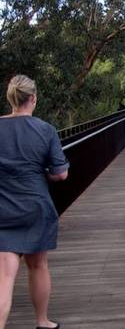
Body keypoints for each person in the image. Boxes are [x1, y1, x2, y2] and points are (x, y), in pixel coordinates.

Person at [0, 75, 68, 329]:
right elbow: (60, 173)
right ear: (33, 99)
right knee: (38, 265)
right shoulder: (45, 130)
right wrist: (46, 173)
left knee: (5, 276)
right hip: (35, 207)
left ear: (11, 99)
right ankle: (42, 321)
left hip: (3, 209)